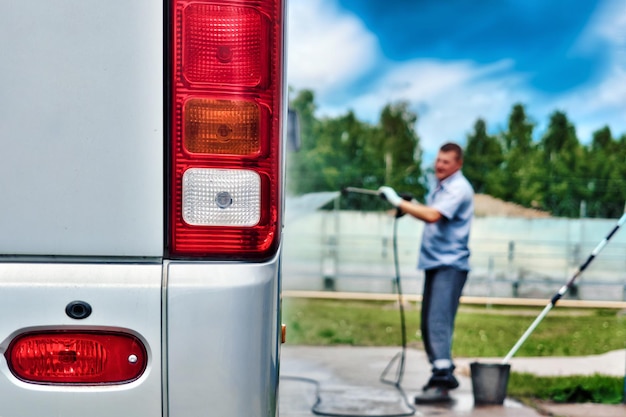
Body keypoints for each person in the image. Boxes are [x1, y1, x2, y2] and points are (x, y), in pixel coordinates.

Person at [378, 142, 474, 404]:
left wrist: (399, 202)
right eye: (438, 160)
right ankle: (439, 374)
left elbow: (433, 216)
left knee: (438, 321)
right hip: (436, 263)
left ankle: (442, 378)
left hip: (450, 265)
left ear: (458, 164)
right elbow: (429, 211)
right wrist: (409, 206)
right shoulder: (443, 187)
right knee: (428, 322)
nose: (439, 165)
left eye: (446, 161)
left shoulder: (459, 188)